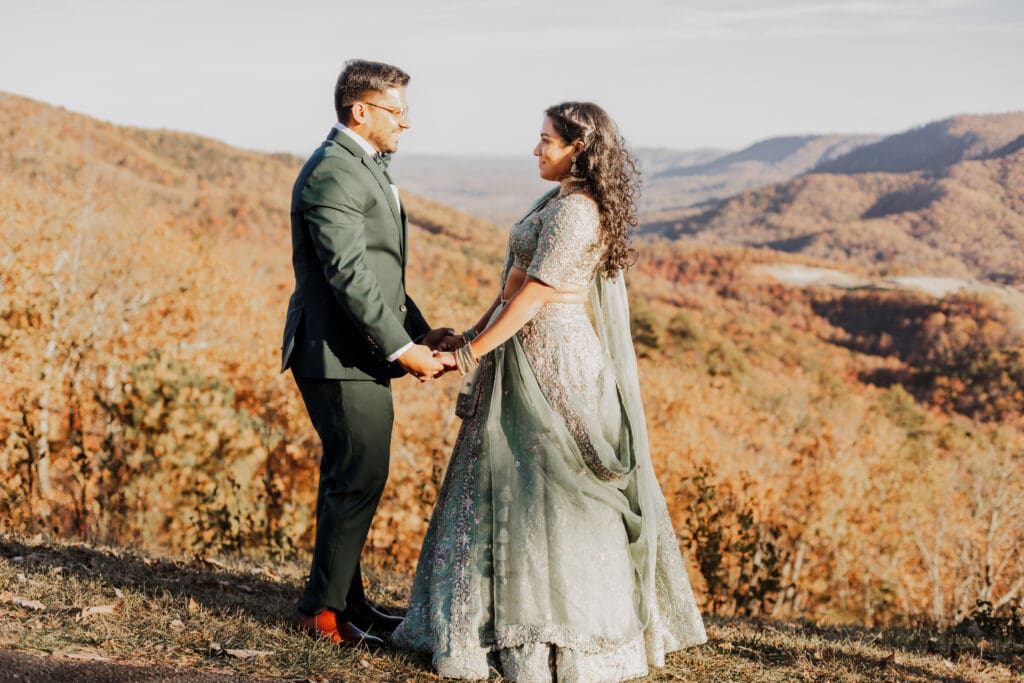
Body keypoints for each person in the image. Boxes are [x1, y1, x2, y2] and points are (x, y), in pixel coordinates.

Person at [391, 102, 706, 681]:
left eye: (546, 140)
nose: (536, 149)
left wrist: (468, 355)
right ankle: (482, 623)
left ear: (577, 149)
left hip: (556, 360)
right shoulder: (553, 201)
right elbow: (511, 288)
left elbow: (536, 294)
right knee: (507, 483)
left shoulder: (578, 211)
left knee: (554, 489)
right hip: (520, 349)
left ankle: (558, 637)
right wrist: (470, 334)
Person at [281, 59, 457, 649]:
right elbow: (349, 276)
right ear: (361, 110)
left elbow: (383, 273)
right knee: (358, 475)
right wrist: (403, 349)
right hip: (335, 354)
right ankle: (320, 614)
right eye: (396, 112)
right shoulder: (333, 172)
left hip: (357, 350)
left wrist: (421, 333)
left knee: (351, 476)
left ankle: (347, 603)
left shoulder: (362, 167)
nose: (406, 123)